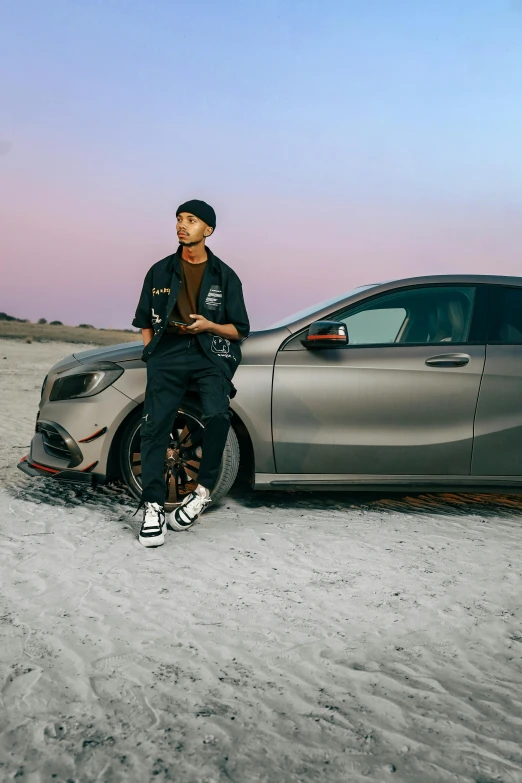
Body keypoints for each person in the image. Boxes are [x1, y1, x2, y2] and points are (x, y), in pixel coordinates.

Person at [132, 199, 250, 547]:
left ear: (208, 229)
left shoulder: (225, 276)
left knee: (218, 416)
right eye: (179, 219)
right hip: (167, 353)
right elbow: (143, 320)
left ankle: (202, 492)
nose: (182, 225)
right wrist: (153, 354)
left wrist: (210, 325)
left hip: (208, 353)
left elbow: (239, 330)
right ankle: (153, 506)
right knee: (155, 425)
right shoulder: (159, 270)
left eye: (191, 220)